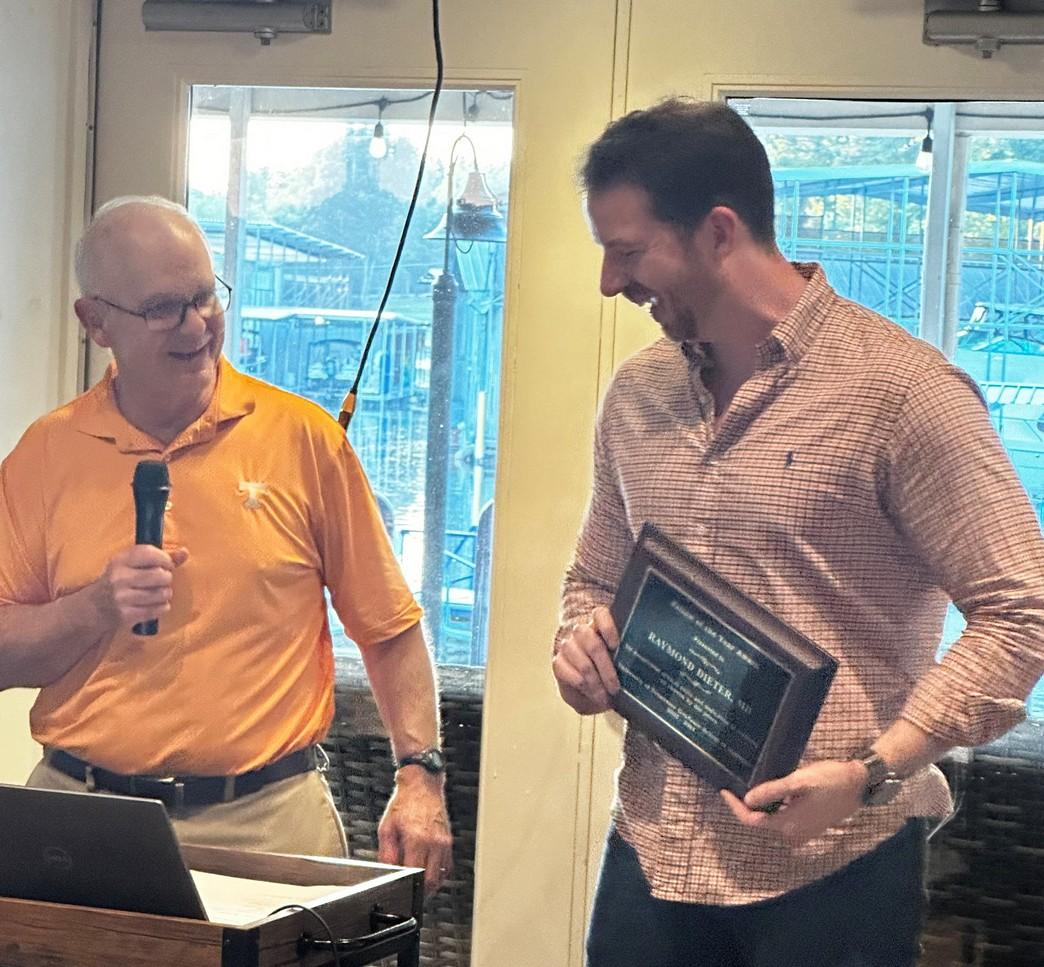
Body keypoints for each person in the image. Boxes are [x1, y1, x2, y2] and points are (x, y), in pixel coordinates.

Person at [552, 99, 1044, 966]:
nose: (608, 282)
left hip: (835, 870)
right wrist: (579, 644)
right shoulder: (636, 394)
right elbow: (594, 578)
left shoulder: (904, 393)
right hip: (653, 855)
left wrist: (873, 771)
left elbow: (1022, 612)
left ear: (718, 231)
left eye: (627, 252)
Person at [0, 196, 452, 894]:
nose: (197, 326)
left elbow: (389, 629)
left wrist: (420, 775)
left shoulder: (303, 440)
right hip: (82, 817)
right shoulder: (44, 454)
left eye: (206, 297)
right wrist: (95, 607)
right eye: (163, 308)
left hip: (269, 819)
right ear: (95, 322)